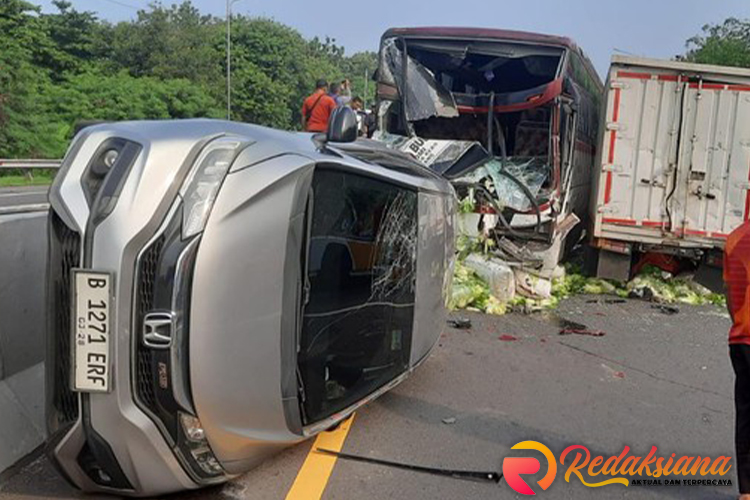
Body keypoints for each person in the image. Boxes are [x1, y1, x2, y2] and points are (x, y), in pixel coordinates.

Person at [724, 221, 750, 500]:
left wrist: (740, 323)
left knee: (746, 415)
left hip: (741, 339)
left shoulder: (735, 238)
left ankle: (747, 491)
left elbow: (730, 294)